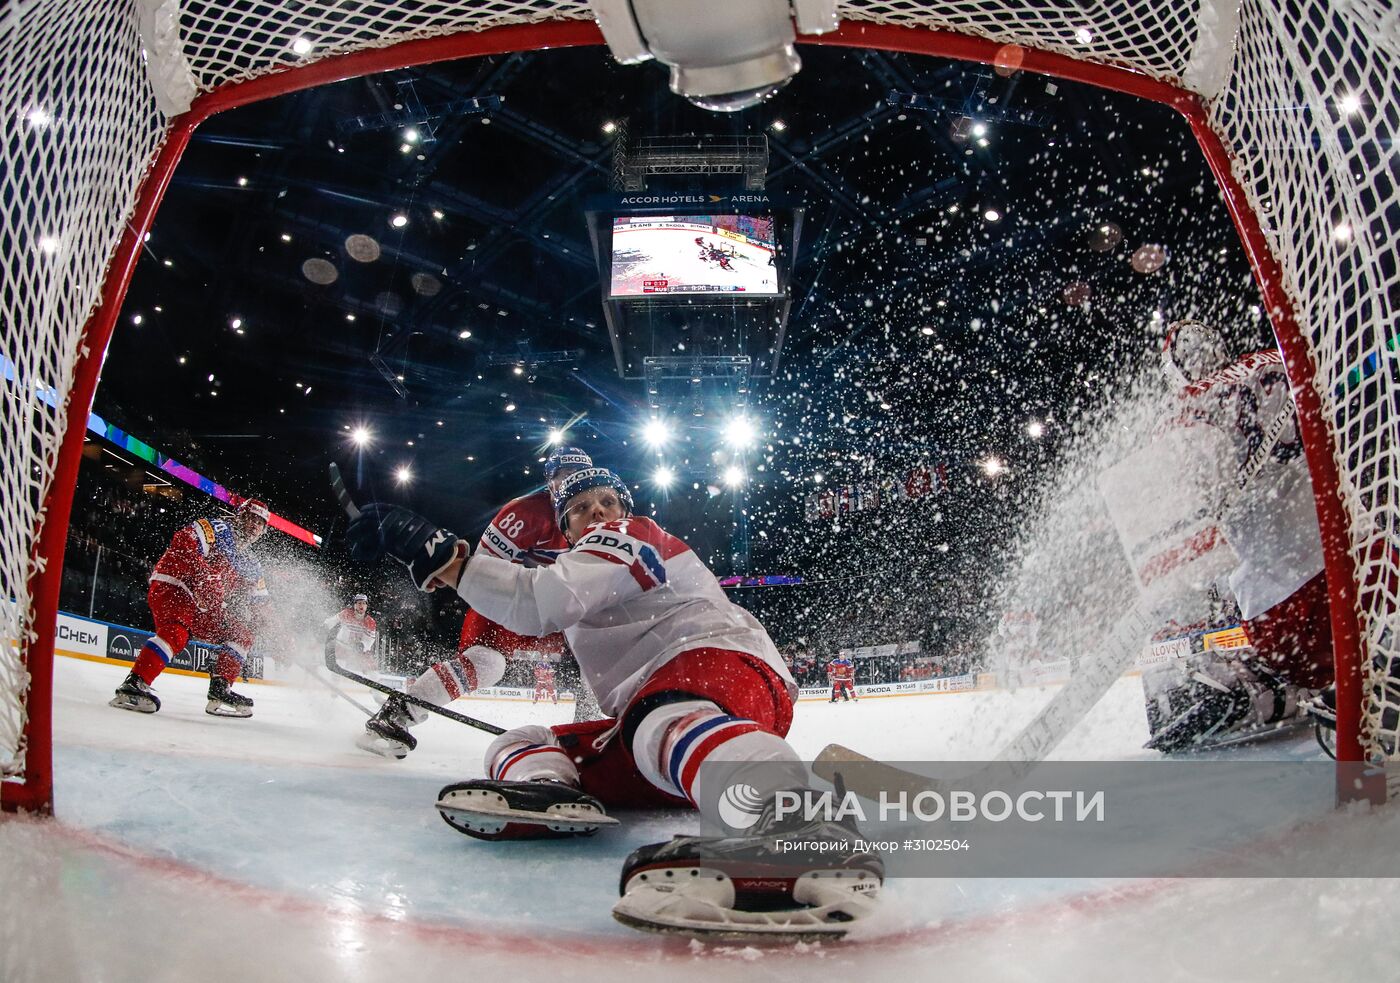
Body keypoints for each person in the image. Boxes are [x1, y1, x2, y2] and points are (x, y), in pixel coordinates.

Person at [345, 466, 882, 937]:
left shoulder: (633, 534)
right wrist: (445, 566)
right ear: (564, 532)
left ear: (625, 509)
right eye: (580, 509)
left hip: (720, 663)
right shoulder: (575, 569)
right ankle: (551, 792)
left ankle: (796, 822)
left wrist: (446, 556)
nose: (597, 511)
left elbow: (540, 602)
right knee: (525, 741)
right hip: (665, 712)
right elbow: (531, 600)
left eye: (607, 501)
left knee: (659, 720)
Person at [1139, 319, 1330, 752]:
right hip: (1354, 570)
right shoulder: (1277, 362)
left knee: (1274, 659)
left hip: (1283, 608)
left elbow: (1193, 532)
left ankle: (1272, 690)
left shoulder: (1186, 414)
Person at [356, 446, 593, 758]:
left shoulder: (602, 518)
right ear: (549, 481)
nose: (570, 484)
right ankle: (399, 713)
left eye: (578, 478)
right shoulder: (523, 514)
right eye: (563, 477)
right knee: (487, 663)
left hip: (563, 608)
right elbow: (483, 571)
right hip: (513, 600)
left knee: (600, 649)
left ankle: (596, 732)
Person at [109, 497, 271, 718]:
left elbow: (261, 605)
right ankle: (135, 683)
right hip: (176, 585)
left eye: (260, 523)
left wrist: (277, 634)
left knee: (241, 633)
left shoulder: (252, 563)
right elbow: (184, 541)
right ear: (239, 516)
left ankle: (220, 689)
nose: (254, 525)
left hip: (202, 605)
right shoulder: (217, 527)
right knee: (176, 632)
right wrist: (204, 575)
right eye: (251, 518)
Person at [323, 594, 378, 675]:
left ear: (366, 606)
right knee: (339, 661)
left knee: (370, 666)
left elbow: (369, 640)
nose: (361, 606)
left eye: (364, 603)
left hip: (359, 649)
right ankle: (335, 678)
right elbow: (333, 621)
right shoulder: (346, 614)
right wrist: (324, 626)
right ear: (355, 605)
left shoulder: (370, 622)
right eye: (359, 603)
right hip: (343, 645)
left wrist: (362, 645)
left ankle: (373, 681)